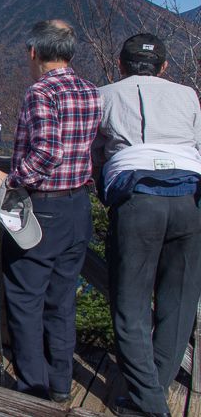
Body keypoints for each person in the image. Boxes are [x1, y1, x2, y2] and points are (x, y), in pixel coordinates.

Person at [0, 20, 101, 401]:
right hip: (78, 206)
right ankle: (62, 384)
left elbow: (47, 153)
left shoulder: (41, 93)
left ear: (34, 52)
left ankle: (33, 387)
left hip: (43, 211)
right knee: (62, 300)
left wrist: (9, 179)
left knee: (25, 299)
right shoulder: (91, 92)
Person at [92, 34, 201, 417]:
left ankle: (149, 402)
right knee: (179, 303)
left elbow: (96, 154)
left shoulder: (103, 95)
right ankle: (153, 389)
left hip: (137, 200)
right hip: (188, 200)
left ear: (121, 64)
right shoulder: (188, 95)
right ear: (165, 67)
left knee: (130, 304)